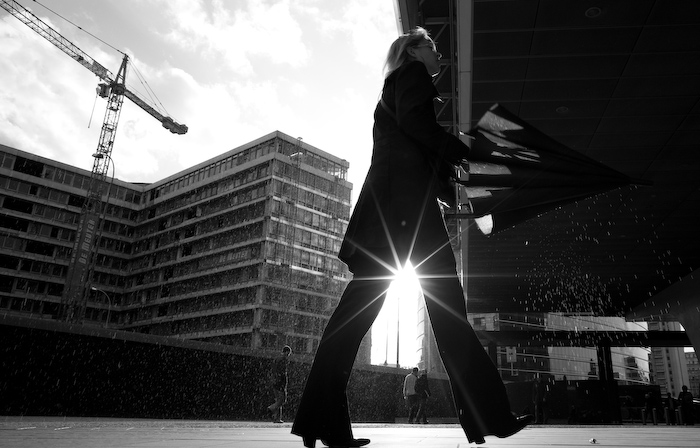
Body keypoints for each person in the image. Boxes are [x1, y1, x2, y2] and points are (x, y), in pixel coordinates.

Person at [291, 27, 530, 448]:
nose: (439, 55)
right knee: (447, 309)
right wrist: (469, 154)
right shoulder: (412, 74)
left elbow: (411, 147)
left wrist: (455, 180)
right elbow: (419, 129)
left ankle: (320, 418)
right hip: (408, 214)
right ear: (413, 51)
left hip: (391, 213)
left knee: (355, 316)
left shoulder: (396, 86)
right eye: (432, 47)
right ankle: (487, 414)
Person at [267, 345, 292, 423]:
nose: (289, 355)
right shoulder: (283, 360)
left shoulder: (276, 359)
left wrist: (273, 379)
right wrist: (283, 382)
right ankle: (271, 408)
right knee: (282, 400)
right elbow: (282, 372)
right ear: (287, 352)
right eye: (289, 353)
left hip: (274, 381)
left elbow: (273, 370)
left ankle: (277, 418)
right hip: (280, 382)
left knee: (278, 400)